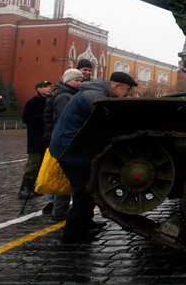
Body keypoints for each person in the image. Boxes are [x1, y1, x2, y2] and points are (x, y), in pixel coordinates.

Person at [49, 71, 138, 244]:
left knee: (89, 188)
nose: (127, 95)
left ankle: (84, 223)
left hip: (73, 146)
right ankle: (73, 235)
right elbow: (108, 123)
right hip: (70, 149)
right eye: (127, 90)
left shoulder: (97, 93)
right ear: (117, 86)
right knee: (86, 190)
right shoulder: (94, 98)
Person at [42, 68, 84, 220]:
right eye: (76, 80)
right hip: (65, 140)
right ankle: (59, 211)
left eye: (81, 81)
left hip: (62, 139)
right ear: (67, 81)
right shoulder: (64, 96)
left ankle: (59, 209)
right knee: (64, 177)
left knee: (64, 176)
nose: (79, 83)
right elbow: (64, 120)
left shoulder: (67, 93)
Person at [18, 81, 53, 198]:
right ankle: (24, 188)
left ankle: (34, 187)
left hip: (46, 137)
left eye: (49, 86)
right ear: (38, 89)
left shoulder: (49, 101)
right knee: (33, 163)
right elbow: (26, 118)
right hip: (35, 137)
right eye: (45, 87)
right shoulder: (33, 102)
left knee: (42, 163)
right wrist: (44, 116)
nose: (49, 88)